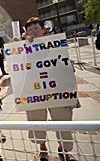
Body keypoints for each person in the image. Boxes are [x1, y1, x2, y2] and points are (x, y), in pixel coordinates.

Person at [25, 17, 77, 161]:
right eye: (30, 30)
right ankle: (43, 148)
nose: (33, 32)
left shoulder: (56, 44)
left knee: (63, 121)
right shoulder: (23, 47)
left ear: (44, 29)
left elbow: (67, 64)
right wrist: (23, 47)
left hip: (57, 91)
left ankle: (64, 150)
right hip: (35, 92)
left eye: (36, 29)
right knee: (37, 121)